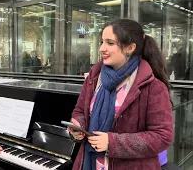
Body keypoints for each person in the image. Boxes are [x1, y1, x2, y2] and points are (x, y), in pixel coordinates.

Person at [68, 19, 174, 170]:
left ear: (130, 48)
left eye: (110, 43)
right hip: (90, 163)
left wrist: (113, 143)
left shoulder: (153, 87)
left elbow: (162, 136)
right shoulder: (94, 78)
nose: (101, 48)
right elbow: (80, 111)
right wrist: (78, 125)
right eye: (102, 42)